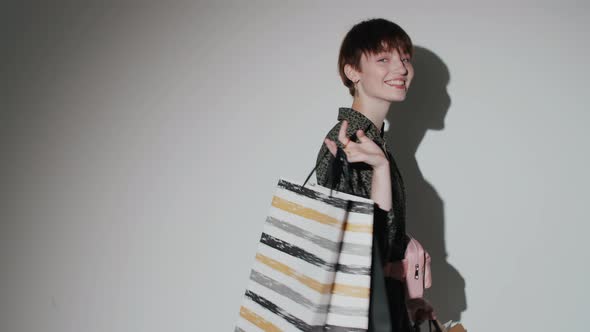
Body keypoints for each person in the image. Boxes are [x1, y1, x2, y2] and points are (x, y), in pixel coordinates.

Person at [314, 18, 432, 331]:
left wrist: (406, 297)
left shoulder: (373, 142)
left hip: (382, 305)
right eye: (384, 59)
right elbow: (355, 247)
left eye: (405, 58)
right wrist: (380, 168)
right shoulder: (346, 142)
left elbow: (381, 237)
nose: (402, 68)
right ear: (352, 72)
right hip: (362, 314)